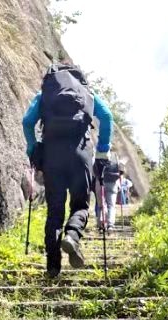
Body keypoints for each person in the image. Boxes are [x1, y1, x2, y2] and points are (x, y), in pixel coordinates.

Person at [23, 63, 113, 278]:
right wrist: (102, 153)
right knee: (80, 205)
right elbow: (107, 117)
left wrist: (33, 148)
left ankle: (53, 267)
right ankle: (72, 236)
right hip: (80, 152)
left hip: (53, 155)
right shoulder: (87, 93)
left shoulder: (44, 94)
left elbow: (27, 122)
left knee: (54, 211)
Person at [95, 154, 120, 233]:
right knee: (111, 205)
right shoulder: (115, 157)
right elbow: (120, 171)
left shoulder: (97, 157)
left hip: (100, 182)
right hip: (113, 183)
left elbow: (94, 171)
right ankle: (110, 225)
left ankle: (101, 224)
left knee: (100, 205)